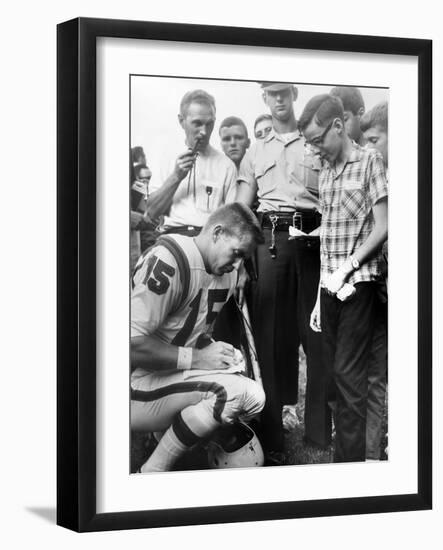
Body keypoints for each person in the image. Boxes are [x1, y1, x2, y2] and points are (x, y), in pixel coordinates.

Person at [131, 203, 266, 472]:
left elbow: (190, 333)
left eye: (244, 259)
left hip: (162, 379)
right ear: (217, 233)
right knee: (241, 394)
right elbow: (128, 345)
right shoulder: (170, 259)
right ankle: (152, 472)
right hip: (128, 385)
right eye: (236, 253)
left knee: (246, 391)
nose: (238, 265)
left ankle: (181, 453)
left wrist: (217, 352)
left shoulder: (223, 274)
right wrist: (198, 358)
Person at [237, 82, 331, 462]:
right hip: (271, 241)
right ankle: (272, 437)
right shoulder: (255, 152)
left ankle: (319, 434)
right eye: (270, 93)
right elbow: (244, 207)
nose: (278, 99)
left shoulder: (315, 142)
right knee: (272, 341)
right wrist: (243, 258)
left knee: (318, 336)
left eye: (283, 92)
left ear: (293, 94)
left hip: (314, 243)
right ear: (264, 98)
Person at [299, 93, 388, 463]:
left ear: (338, 125)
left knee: (350, 380)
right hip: (329, 289)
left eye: (319, 140)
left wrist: (348, 267)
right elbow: (327, 241)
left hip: (358, 284)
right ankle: (346, 460)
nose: (316, 149)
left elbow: (384, 226)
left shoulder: (370, 162)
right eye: (311, 143)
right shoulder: (326, 172)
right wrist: (320, 299)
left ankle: (351, 470)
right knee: (333, 381)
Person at [145, 89, 238, 237]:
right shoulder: (167, 158)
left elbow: (232, 222)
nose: (204, 132)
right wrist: (176, 176)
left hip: (210, 241)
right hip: (173, 238)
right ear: (181, 121)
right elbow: (151, 212)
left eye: (209, 124)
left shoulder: (226, 166)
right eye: (197, 123)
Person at [360, 100, 389, 460]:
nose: (369, 149)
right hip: (379, 287)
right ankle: (370, 453)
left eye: (375, 139)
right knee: (376, 372)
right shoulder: (376, 178)